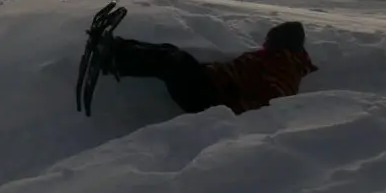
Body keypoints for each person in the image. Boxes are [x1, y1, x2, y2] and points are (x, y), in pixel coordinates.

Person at [100, 21, 319, 115]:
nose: (264, 45)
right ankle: (116, 49)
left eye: (269, 41)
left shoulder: (284, 71)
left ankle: (112, 60)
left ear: (281, 44)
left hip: (211, 100)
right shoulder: (274, 58)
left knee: (173, 62)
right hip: (210, 85)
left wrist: (227, 96)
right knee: (171, 53)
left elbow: (266, 108)